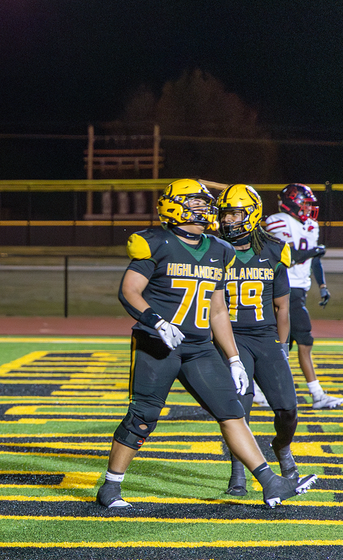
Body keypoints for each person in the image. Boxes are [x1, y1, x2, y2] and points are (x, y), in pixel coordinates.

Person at [96, 178, 316, 509]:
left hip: (199, 348)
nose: (206, 209)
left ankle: (271, 483)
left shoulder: (218, 249)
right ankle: (110, 487)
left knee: (232, 412)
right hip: (157, 343)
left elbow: (218, 311)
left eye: (205, 204)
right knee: (143, 416)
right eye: (196, 203)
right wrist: (157, 321)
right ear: (173, 206)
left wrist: (233, 358)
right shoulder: (154, 242)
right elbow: (129, 290)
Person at [216, 184, 303, 495]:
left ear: (251, 214)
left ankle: (281, 447)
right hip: (232, 337)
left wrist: (283, 346)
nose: (227, 220)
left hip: (266, 337)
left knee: (288, 409)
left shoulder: (274, 250)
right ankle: (238, 469)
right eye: (225, 214)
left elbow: (282, 307)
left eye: (235, 213)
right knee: (239, 408)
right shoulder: (215, 250)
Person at [264, 183, 343, 409]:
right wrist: (313, 251)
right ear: (293, 203)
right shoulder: (278, 221)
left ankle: (260, 389)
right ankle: (317, 395)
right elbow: (289, 255)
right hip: (284, 287)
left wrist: (323, 285)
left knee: (283, 344)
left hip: (299, 288)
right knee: (304, 340)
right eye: (305, 204)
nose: (309, 209)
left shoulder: (310, 226)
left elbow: (314, 260)